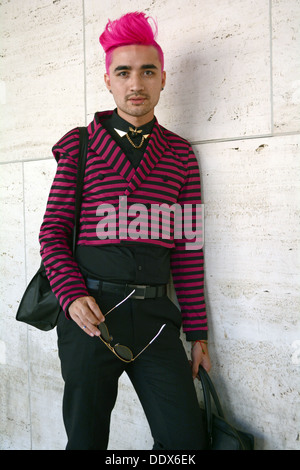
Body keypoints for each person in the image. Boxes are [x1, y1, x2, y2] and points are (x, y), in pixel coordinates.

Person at [39, 11, 211, 450]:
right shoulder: (81, 145)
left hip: (156, 321)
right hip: (91, 317)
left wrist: (197, 333)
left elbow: (188, 250)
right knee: (86, 440)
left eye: (147, 71)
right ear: (108, 81)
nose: (136, 83)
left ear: (163, 79)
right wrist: (72, 295)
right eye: (124, 72)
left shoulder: (180, 156)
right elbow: (53, 232)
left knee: (184, 441)